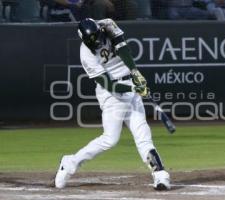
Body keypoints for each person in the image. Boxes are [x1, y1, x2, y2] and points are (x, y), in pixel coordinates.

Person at [54, 18, 171, 190]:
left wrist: (135, 72)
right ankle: (69, 163)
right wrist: (134, 87)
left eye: (97, 37)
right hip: (111, 94)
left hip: (130, 83)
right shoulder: (85, 54)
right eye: (92, 40)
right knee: (110, 139)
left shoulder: (107, 24)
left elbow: (122, 48)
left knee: (143, 135)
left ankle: (160, 174)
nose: (96, 42)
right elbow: (108, 84)